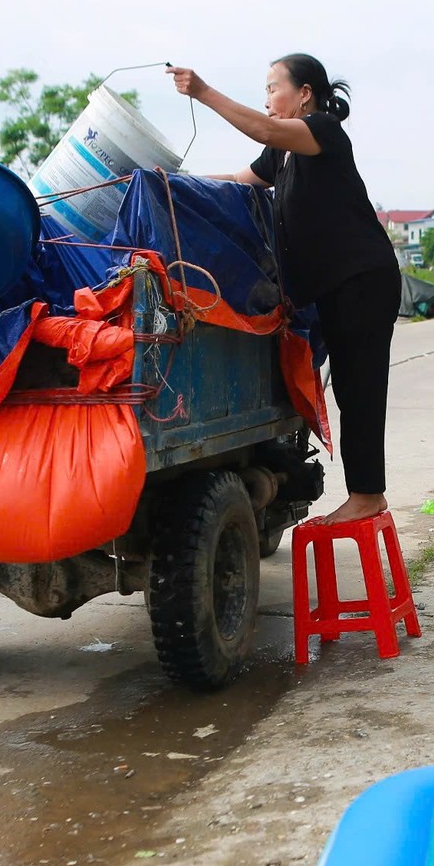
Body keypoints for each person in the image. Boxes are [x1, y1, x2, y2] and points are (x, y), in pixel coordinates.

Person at [170, 54, 401, 525]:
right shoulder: (284, 153)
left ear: (305, 94)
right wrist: (174, 180)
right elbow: (240, 180)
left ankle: (367, 495)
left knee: (361, 389)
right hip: (336, 287)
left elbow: (266, 129)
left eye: (274, 88)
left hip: (362, 279)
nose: (268, 99)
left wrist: (204, 92)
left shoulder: (321, 131)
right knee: (350, 392)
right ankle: (365, 492)